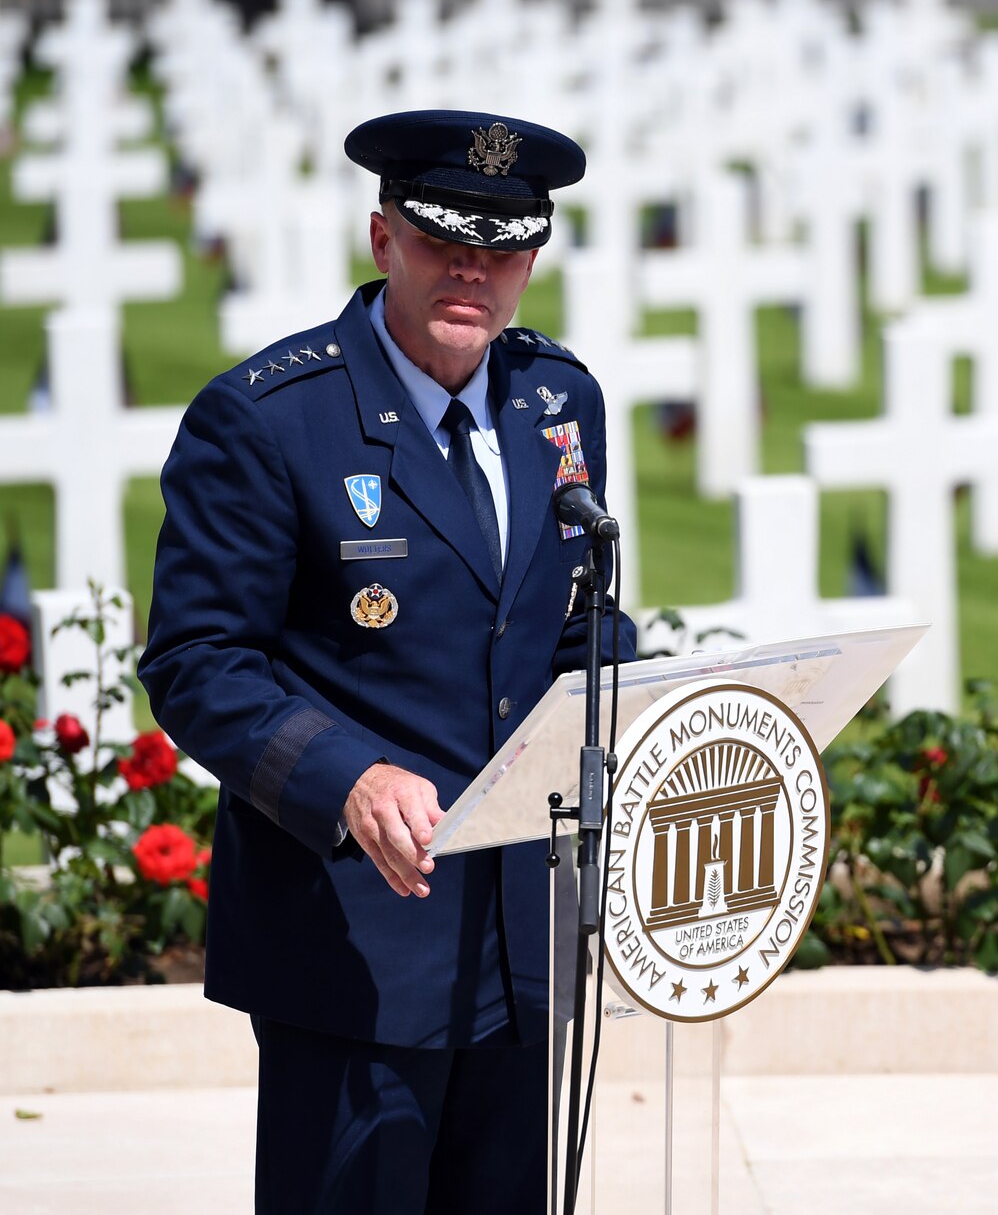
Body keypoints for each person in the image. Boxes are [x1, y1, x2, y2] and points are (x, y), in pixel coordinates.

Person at [139, 110, 638, 1214]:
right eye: (442, 240)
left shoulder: (559, 401)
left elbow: (576, 624)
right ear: (382, 239)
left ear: (533, 259)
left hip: (521, 940)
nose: (471, 271)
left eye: (502, 248)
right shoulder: (270, 419)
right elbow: (198, 659)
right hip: (355, 945)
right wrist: (347, 777)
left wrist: (641, 712)